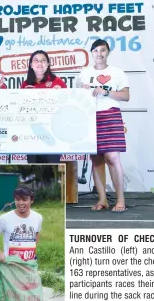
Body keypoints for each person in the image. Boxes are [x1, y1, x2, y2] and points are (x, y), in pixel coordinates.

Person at [77, 39, 129, 213]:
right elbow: (76, 98)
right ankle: (102, 199)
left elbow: (126, 96)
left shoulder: (117, 72)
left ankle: (120, 200)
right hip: (90, 116)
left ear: (108, 52)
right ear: (91, 53)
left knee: (112, 158)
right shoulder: (84, 73)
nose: (99, 53)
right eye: (96, 50)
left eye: (103, 50)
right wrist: (82, 90)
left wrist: (105, 91)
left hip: (111, 115)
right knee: (96, 160)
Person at [21, 50, 67, 164]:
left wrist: (59, 96)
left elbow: (66, 106)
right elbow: (20, 109)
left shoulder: (58, 82)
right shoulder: (26, 84)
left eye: (43, 60)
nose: (40, 63)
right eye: (36, 61)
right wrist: (24, 97)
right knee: (33, 166)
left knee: (52, 167)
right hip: (31, 134)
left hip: (52, 133)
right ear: (31, 64)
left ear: (48, 64)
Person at [0, 185, 43, 262]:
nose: (20, 203)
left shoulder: (38, 218)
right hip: (10, 265)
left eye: (24, 200)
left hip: (29, 265)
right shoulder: (4, 218)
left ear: (31, 200)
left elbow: (36, 233)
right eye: (17, 199)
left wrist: (32, 251)